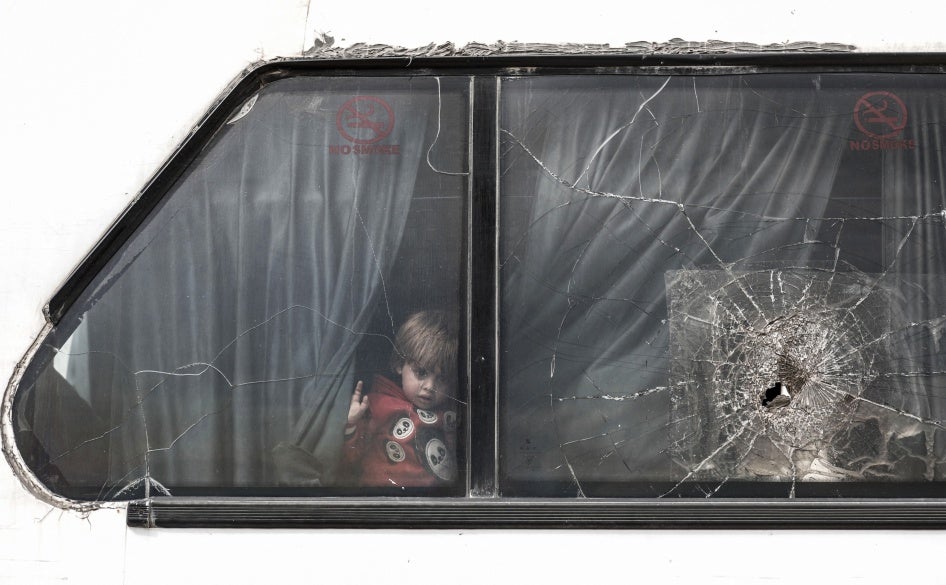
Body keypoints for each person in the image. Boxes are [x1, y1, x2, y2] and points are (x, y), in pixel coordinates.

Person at [341, 310, 458, 487]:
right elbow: (350, 459)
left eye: (442, 379)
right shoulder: (378, 405)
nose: (429, 386)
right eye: (421, 373)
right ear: (399, 365)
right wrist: (352, 424)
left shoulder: (449, 415)